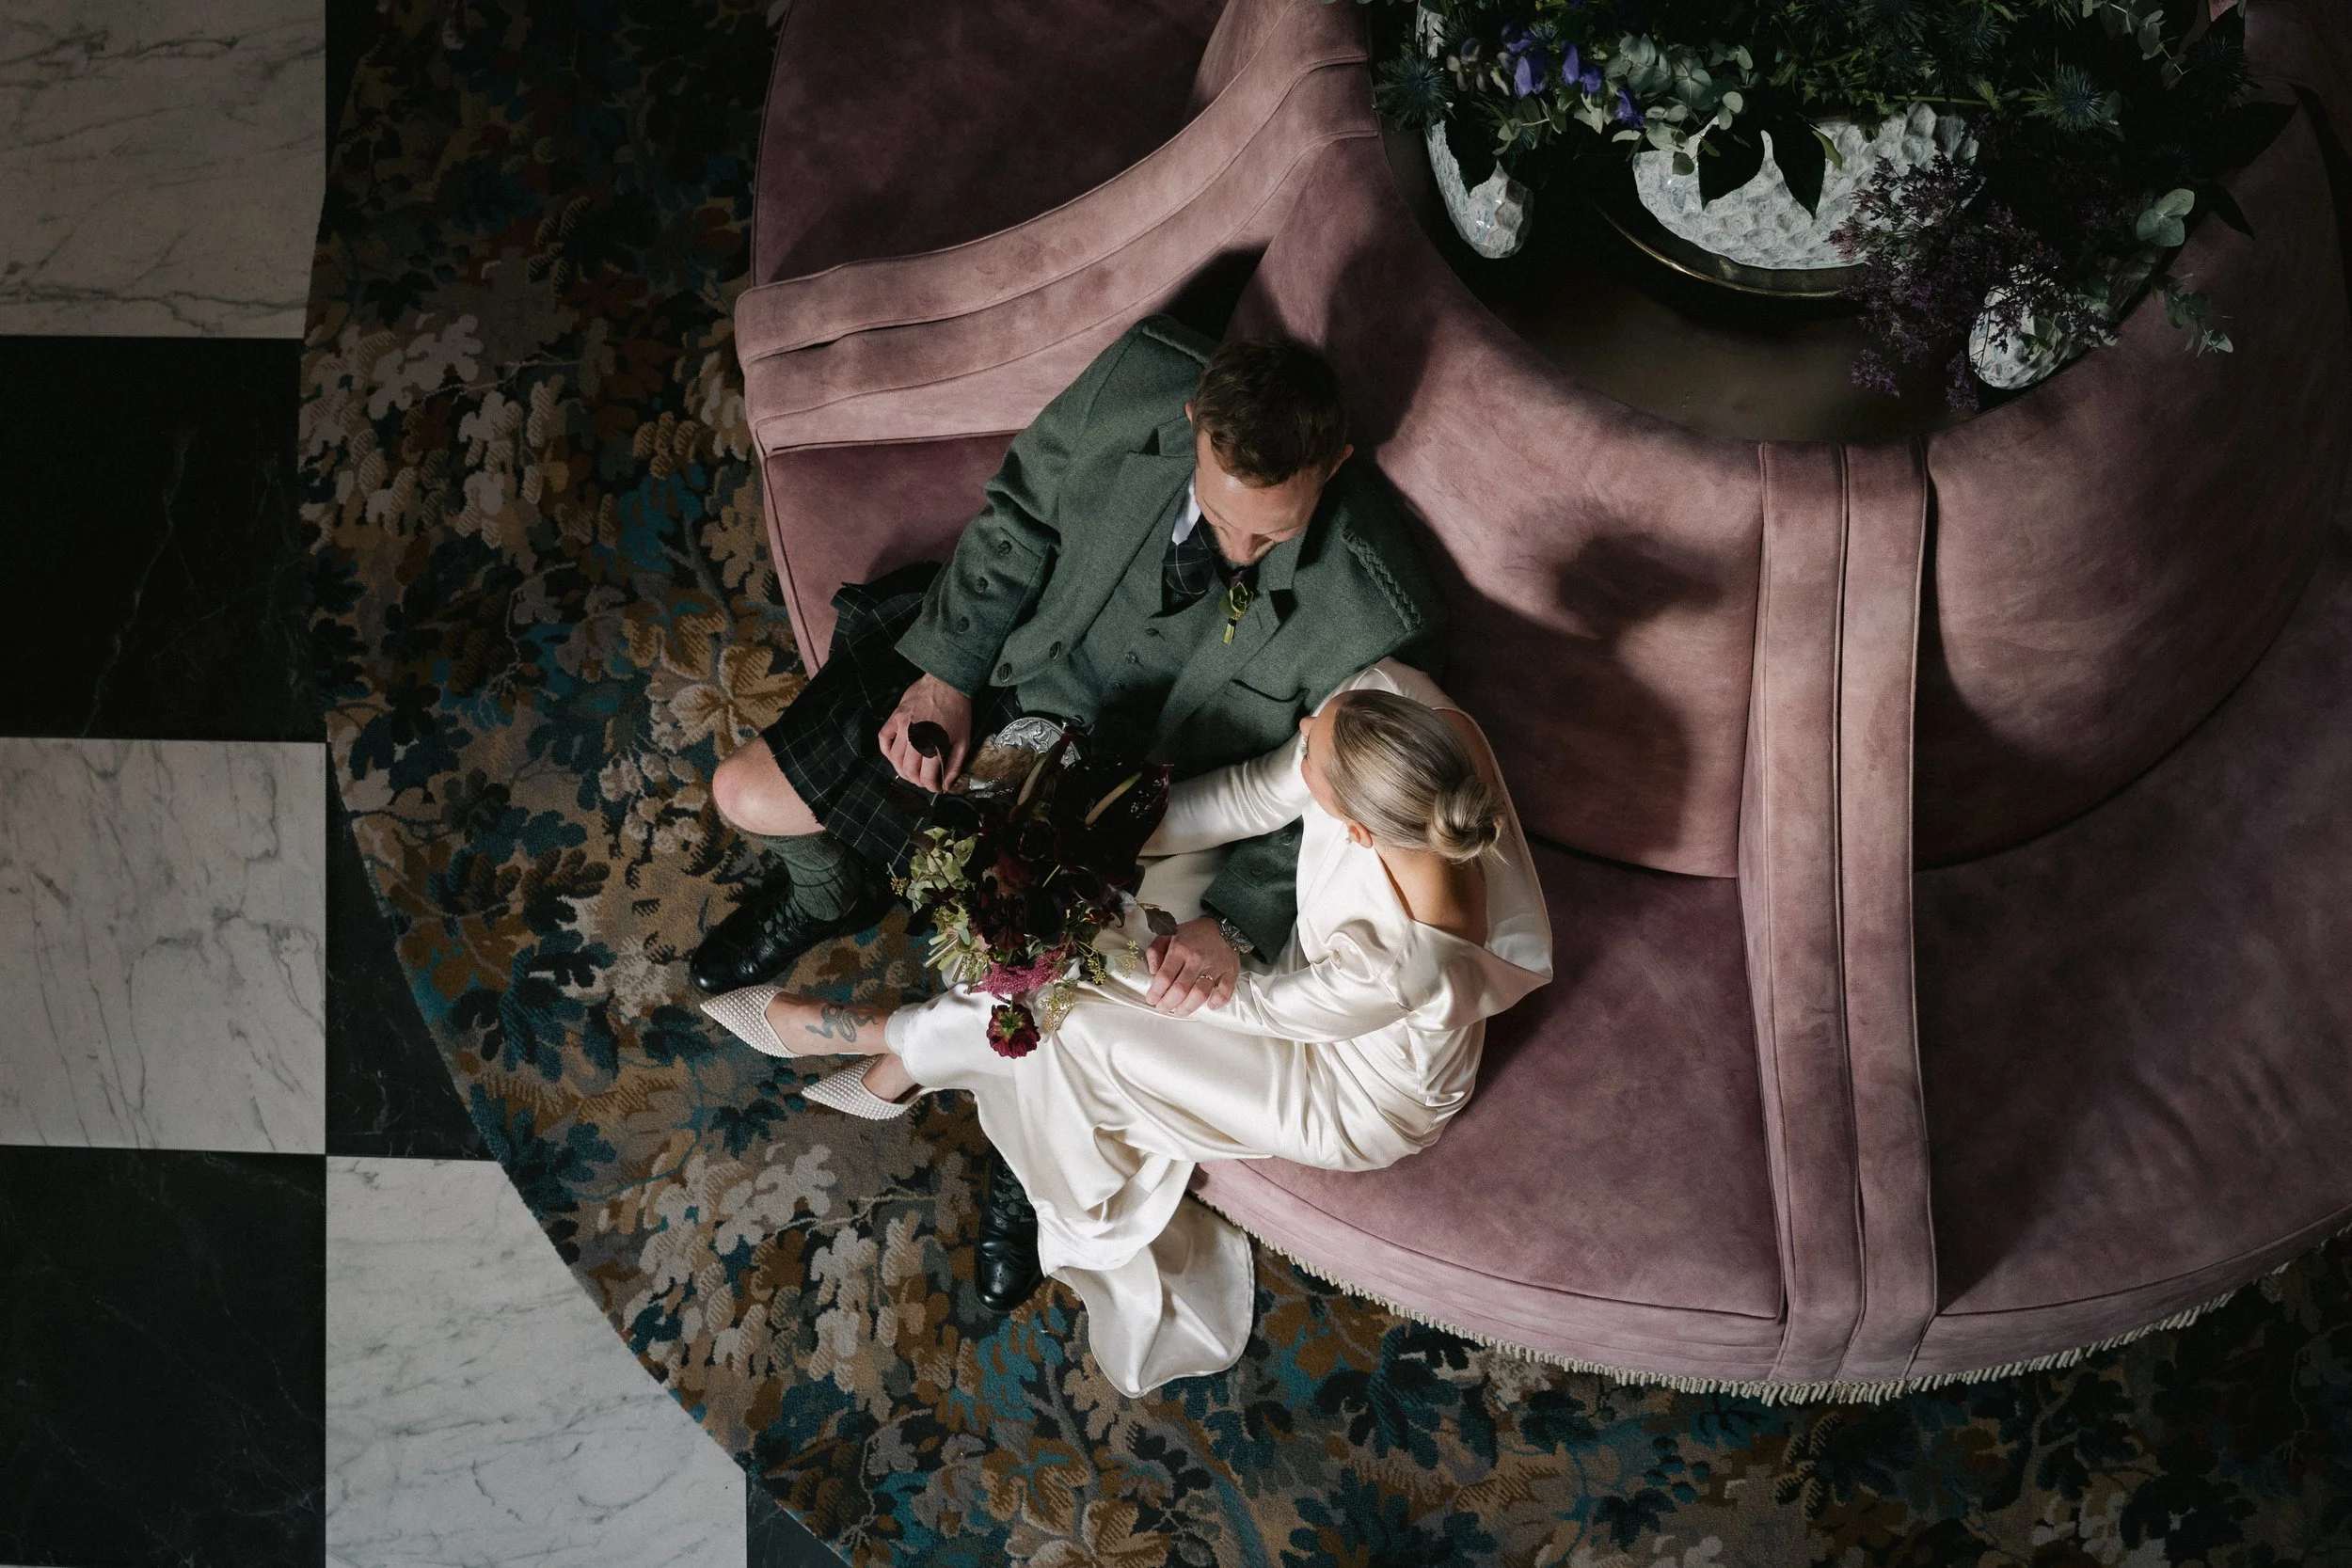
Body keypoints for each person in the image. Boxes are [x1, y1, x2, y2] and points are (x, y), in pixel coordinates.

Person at [690, 316, 1446, 1313]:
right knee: (744, 792)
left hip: (1138, 801)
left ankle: (1029, 1151)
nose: (1236, 546)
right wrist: (947, 678)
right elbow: (1012, 521)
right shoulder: (1138, 380)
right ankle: (828, 895)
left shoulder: (1370, 601)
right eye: (1221, 512)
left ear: (1335, 464)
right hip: (1004, 678)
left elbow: (1320, 784)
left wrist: (1237, 919)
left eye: (1270, 532)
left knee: (1057, 989)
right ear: (1192, 423)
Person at [699, 661, 1553, 1395]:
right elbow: (1255, 791)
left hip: (1348, 1087)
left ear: (1359, 830)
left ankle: (891, 1039)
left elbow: (1247, 1004)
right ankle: (901, 1055)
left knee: (1074, 1021)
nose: (1303, 727)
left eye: (1313, 753)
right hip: (1311, 990)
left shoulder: (1406, 964)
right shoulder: (1391, 708)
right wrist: (1089, 839)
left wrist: (1075, 946)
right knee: (1073, 955)